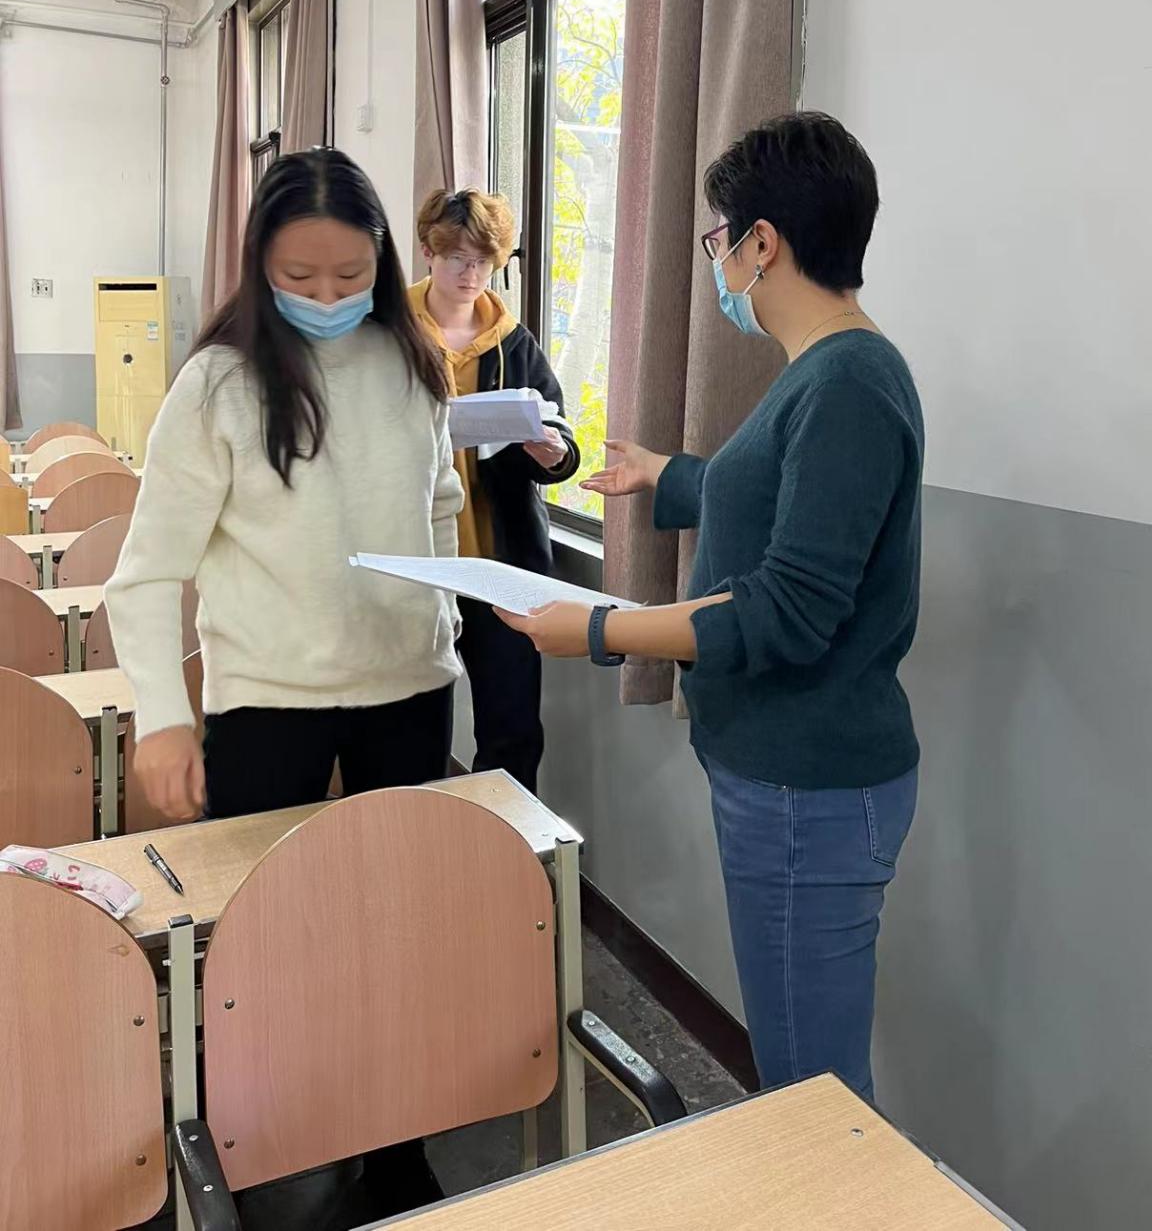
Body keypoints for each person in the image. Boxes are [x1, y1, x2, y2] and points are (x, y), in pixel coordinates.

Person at [498, 112, 922, 1103]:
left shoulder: (848, 381)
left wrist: (597, 628)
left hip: (807, 787)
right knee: (800, 1065)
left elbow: (785, 610)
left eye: (719, 238)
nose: (719, 263)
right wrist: (667, 475)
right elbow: (776, 496)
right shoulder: (823, 372)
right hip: (783, 777)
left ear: (761, 242)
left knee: (810, 1089)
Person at [107, 147, 462, 1213]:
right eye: (298, 276)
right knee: (264, 945)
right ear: (258, 262)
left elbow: (439, 508)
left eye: (349, 275)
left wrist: (446, 617)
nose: (325, 296)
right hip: (267, 704)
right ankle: (260, 1138)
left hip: (407, 690)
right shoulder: (219, 384)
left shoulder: (411, 364)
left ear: (381, 259)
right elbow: (146, 572)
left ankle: (394, 1140)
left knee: (402, 930)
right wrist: (163, 719)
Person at [410, 189, 579, 793]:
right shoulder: (388, 332)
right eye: (458, 258)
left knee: (511, 727)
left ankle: (505, 843)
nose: (471, 274)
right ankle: (409, 839)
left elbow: (559, 437)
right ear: (428, 252)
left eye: (484, 261)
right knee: (410, 730)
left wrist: (555, 453)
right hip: (417, 561)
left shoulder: (514, 342)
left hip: (500, 562)